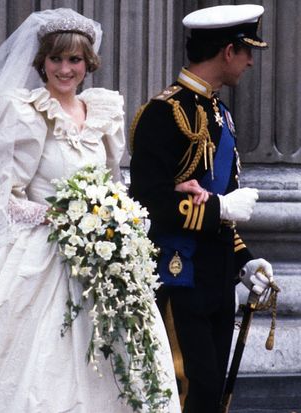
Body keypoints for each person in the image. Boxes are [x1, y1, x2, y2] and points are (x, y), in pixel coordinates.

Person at [0, 8, 181, 413]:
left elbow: (113, 183)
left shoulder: (103, 113)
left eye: (74, 59)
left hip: (100, 258)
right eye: (56, 59)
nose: (65, 68)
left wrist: (116, 216)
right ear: (41, 62)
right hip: (39, 254)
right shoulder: (24, 114)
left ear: (87, 63)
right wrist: (56, 217)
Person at [129, 4, 274, 413]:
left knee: (209, 397)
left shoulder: (220, 115)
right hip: (179, 275)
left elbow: (220, 199)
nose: (249, 62)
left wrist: (244, 260)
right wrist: (219, 209)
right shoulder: (164, 113)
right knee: (188, 390)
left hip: (217, 276)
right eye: (247, 52)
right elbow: (148, 204)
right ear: (228, 51)